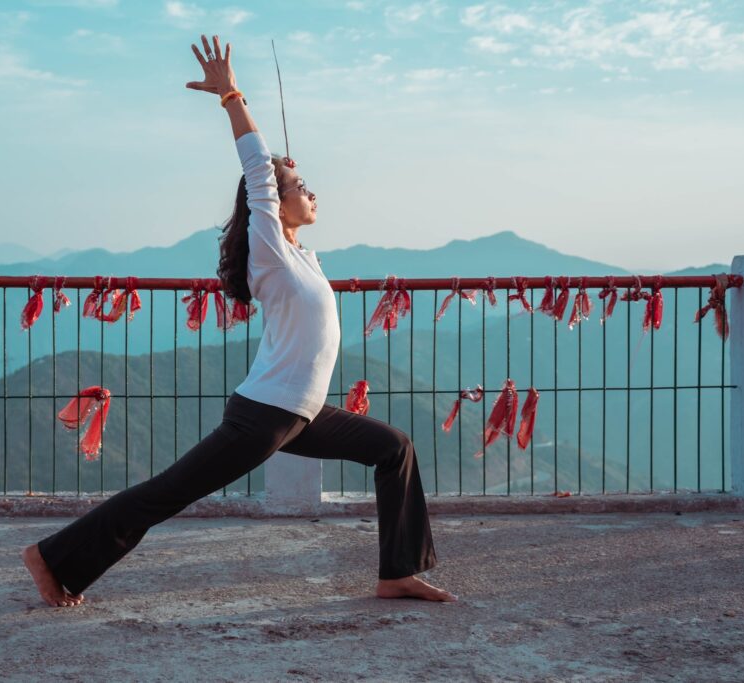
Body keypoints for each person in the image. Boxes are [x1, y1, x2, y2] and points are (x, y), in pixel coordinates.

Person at [23, 35, 458, 607]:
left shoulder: (300, 255)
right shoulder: (270, 246)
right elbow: (257, 169)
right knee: (168, 493)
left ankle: (397, 572)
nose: (313, 191)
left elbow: (278, 188)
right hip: (264, 415)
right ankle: (53, 558)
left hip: (302, 413)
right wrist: (232, 94)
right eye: (301, 187)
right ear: (273, 204)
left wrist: (286, 175)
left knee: (394, 447)